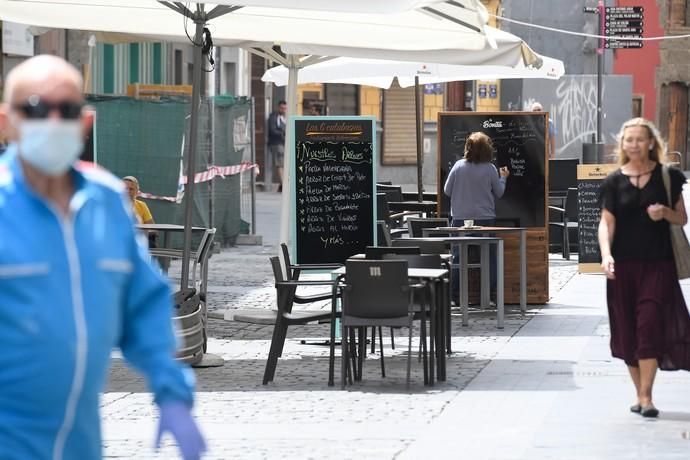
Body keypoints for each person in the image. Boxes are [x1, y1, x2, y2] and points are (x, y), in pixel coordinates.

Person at [0, 55, 205, 459]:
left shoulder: (107, 200)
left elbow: (142, 301)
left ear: (85, 122)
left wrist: (171, 388)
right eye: (37, 108)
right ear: (6, 120)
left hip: (81, 440)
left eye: (68, 110)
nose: (53, 122)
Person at [598, 117, 690, 418]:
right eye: (629, 140)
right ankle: (639, 393)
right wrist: (606, 255)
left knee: (648, 324)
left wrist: (664, 211)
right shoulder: (613, 181)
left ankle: (647, 397)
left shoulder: (668, 176)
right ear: (623, 144)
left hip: (657, 265)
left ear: (651, 142)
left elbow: (682, 219)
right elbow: (606, 223)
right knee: (627, 331)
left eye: (640, 139)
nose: (634, 144)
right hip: (623, 267)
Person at [443, 132, 510, 302]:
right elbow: (499, 193)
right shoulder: (490, 168)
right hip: (485, 219)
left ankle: (456, 294)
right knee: (489, 257)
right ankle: (491, 293)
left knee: (457, 258)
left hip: (459, 219)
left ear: (468, 148)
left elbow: (447, 191)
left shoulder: (458, 166)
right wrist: (503, 178)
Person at [267, 99, 286, 192]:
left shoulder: (284, 117)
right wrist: (283, 133)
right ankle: (283, 184)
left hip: (283, 143)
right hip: (277, 143)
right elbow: (272, 130)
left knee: (283, 164)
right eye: (282, 108)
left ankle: (282, 185)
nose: (283, 110)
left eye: (285, 108)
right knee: (280, 164)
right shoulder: (274, 117)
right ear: (278, 107)